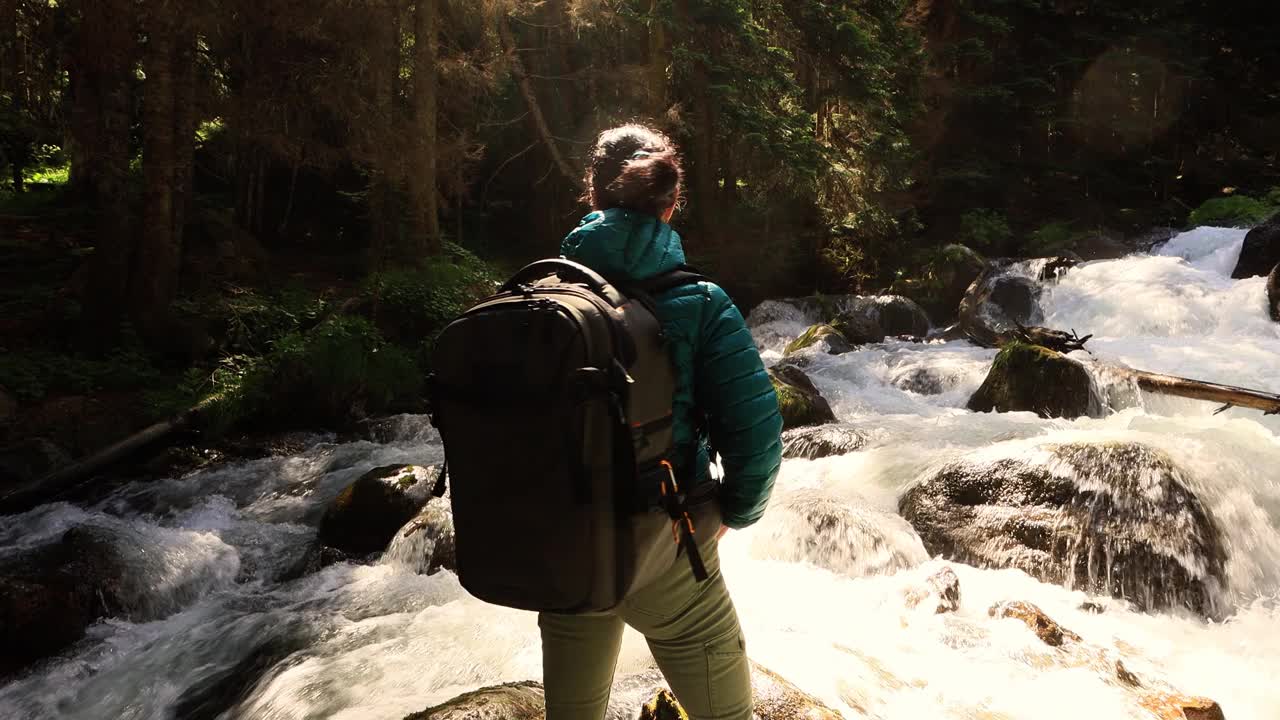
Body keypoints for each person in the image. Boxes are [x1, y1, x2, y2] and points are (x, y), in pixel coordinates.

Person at [540, 124, 784, 720]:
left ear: (592, 197)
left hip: (565, 547)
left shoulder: (543, 297)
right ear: (670, 205)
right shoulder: (700, 303)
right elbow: (756, 439)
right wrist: (735, 512)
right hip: (668, 545)